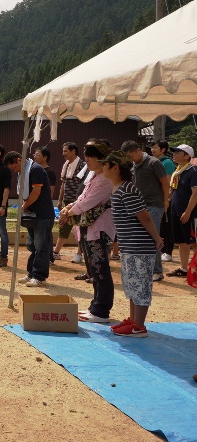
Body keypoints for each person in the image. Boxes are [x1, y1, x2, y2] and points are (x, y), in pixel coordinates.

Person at [102, 151, 164, 338]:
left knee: (141, 285)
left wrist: (157, 238)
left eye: (106, 164)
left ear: (115, 167)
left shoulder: (127, 189)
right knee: (132, 285)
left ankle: (139, 326)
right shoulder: (119, 188)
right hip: (130, 246)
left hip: (139, 246)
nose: (103, 167)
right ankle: (133, 320)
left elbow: (144, 217)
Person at [58, 142, 116, 323]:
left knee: (100, 269)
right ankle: (96, 306)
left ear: (101, 159)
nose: (87, 160)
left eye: (91, 157)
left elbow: (87, 202)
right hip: (89, 228)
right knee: (93, 268)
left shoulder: (106, 179)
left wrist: (69, 211)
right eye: (87, 156)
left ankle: (101, 309)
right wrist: (69, 207)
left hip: (100, 229)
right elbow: (82, 198)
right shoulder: (95, 177)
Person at [7, 150, 56, 287]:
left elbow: (36, 192)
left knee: (41, 247)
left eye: (14, 167)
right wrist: (25, 205)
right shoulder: (24, 171)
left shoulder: (36, 169)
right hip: (32, 214)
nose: (14, 170)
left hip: (42, 214)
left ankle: (40, 276)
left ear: (18, 160)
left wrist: (24, 205)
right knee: (32, 245)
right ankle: (31, 273)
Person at [121, 140, 168, 282]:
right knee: (141, 238)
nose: (130, 158)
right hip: (139, 207)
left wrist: (166, 201)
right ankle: (145, 268)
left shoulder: (154, 163)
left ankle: (157, 271)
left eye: (131, 155)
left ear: (138, 150)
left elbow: (165, 183)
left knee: (153, 237)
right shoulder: (134, 166)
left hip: (154, 205)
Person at [166, 144, 197, 278]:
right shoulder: (177, 171)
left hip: (190, 213)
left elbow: (195, 193)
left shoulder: (193, 171)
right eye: (175, 152)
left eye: (178, 152)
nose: (175, 154)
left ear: (187, 156)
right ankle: (184, 269)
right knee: (181, 242)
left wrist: (188, 212)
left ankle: (194, 269)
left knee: (194, 242)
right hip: (176, 211)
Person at [54, 142, 87, 266]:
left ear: (73, 151)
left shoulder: (82, 165)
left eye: (65, 151)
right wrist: (60, 199)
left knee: (79, 228)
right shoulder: (66, 164)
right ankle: (56, 252)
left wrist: (79, 201)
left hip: (78, 202)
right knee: (63, 225)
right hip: (67, 201)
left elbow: (84, 185)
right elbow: (64, 183)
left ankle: (79, 253)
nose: (63, 154)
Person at [151, 139, 176, 263]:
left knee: (166, 226)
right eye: (152, 147)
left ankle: (168, 251)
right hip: (156, 199)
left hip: (165, 199)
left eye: (155, 147)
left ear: (163, 149)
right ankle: (161, 250)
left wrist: (166, 198)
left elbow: (168, 182)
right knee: (159, 226)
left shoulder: (167, 163)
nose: (152, 150)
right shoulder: (154, 162)